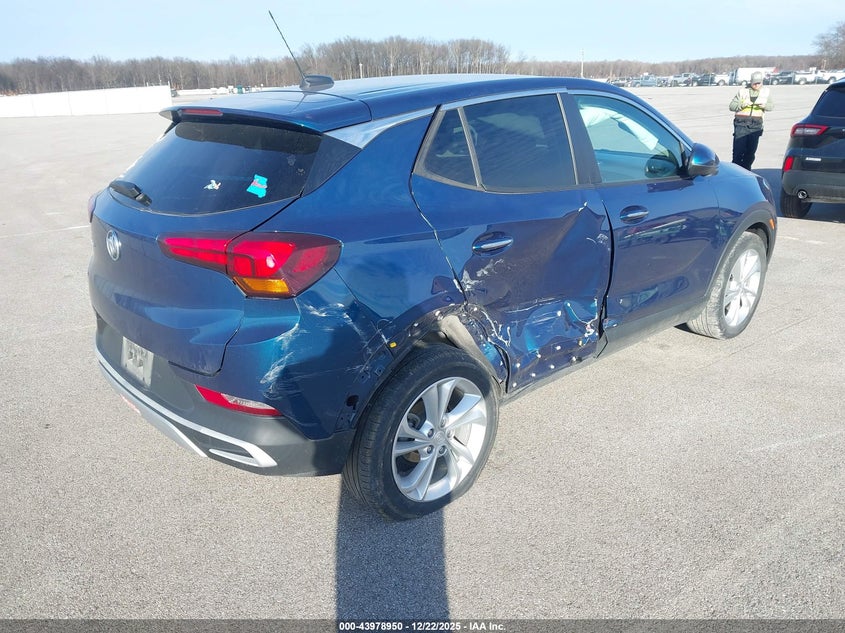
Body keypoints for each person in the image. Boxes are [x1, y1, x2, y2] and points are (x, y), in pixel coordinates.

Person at [729, 71, 774, 170]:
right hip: (741, 124)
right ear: (751, 82)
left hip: (755, 125)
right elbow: (731, 106)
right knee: (738, 152)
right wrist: (741, 105)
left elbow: (771, 106)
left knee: (750, 153)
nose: (757, 85)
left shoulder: (766, 92)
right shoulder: (742, 91)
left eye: (759, 83)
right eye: (755, 83)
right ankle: (736, 171)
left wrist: (764, 106)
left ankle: (747, 171)